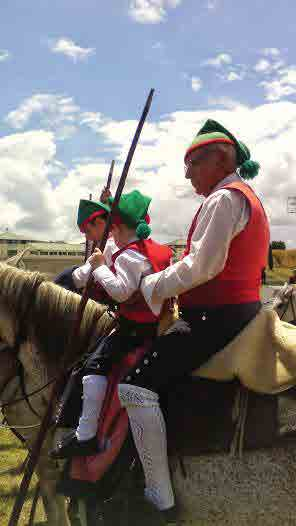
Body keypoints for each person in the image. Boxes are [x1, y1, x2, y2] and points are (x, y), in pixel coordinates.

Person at [116, 120, 270, 522]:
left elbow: (202, 265)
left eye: (193, 164)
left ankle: (158, 499)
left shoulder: (224, 199)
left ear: (220, 158)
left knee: (134, 387)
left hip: (215, 318)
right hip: (239, 312)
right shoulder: (243, 196)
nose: (187, 175)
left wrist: (151, 287)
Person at [51, 189, 173, 459]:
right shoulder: (150, 249)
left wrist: (97, 267)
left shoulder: (126, 253)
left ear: (114, 227)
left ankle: (86, 435)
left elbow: (120, 292)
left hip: (133, 325)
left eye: (87, 229)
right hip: (145, 321)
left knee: (93, 368)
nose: (88, 236)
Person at [54, 197, 110, 292]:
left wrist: (67, 281)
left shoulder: (109, 244)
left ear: (99, 223)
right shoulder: (104, 242)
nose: (87, 237)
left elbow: (83, 276)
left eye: (88, 231)